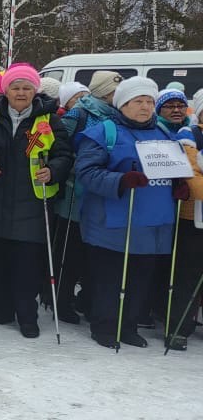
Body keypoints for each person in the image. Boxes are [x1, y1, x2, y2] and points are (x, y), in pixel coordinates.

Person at [74, 76, 177, 349]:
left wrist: (180, 186)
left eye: (149, 101)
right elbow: (86, 172)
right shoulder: (104, 132)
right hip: (113, 222)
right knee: (109, 278)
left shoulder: (165, 133)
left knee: (140, 277)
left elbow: (173, 171)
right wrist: (119, 181)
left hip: (153, 224)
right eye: (138, 101)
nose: (145, 107)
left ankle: (128, 325)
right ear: (122, 104)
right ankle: (105, 326)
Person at [0, 64, 73, 338]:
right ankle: (2, 308)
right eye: (15, 87)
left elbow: (64, 154)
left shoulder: (50, 120)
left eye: (26, 87)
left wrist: (54, 170)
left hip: (32, 203)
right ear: (5, 90)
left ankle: (26, 314)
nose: (21, 92)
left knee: (27, 264)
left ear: (35, 90)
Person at [54, 71, 122, 323]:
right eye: (114, 91)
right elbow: (61, 146)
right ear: (104, 92)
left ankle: (87, 298)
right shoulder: (79, 113)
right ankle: (61, 300)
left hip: (102, 194)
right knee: (70, 251)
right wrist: (73, 166)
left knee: (93, 250)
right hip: (76, 191)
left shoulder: (117, 115)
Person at [167, 90, 203, 350]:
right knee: (188, 275)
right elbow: (193, 179)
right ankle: (179, 327)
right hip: (193, 217)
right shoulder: (189, 136)